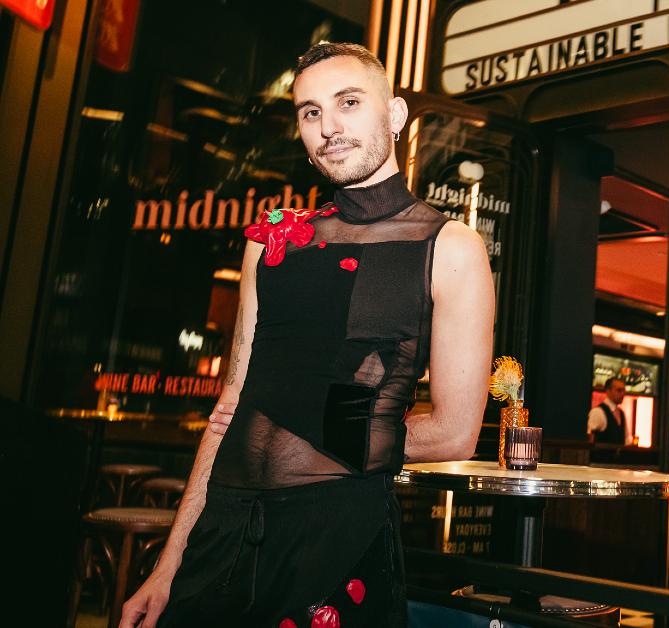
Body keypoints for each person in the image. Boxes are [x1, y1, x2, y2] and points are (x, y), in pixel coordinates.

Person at [119, 42, 494, 628]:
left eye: (348, 102)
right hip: (222, 535)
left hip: (336, 540)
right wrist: (168, 565)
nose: (329, 127)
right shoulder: (271, 241)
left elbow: (454, 433)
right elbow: (228, 412)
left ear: (395, 116)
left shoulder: (449, 248)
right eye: (310, 111)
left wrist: (331, 426)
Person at [587, 377, 630, 446]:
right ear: (608, 391)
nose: (623, 394)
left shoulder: (622, 413)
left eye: (623, 390)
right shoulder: (598, 412)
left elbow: (627, 440)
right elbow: (590, 439)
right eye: (619, 390)